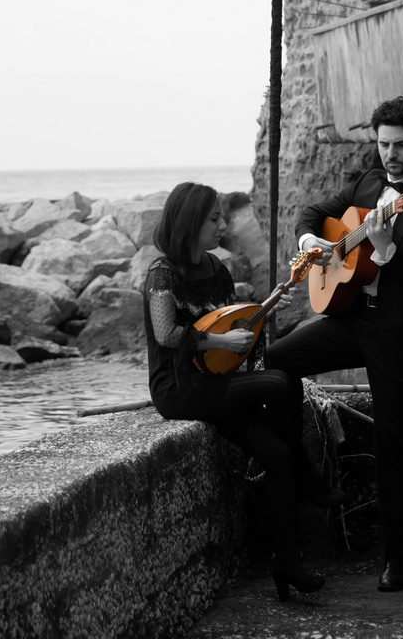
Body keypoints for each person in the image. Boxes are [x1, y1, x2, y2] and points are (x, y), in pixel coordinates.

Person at [266, 96, 403, 593]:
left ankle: (395, 560)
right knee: (278, 359)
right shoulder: (369, 182)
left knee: (393, 448)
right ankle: (303, 468)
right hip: (354, 319)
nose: (389, 154)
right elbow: (315, 212)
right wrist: (313, 242)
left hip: (401, 336)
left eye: (399, 145)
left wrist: (384, 248)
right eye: (382, 144)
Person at [143, 181, 346, 602]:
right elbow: (166, 334)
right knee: (279, 378)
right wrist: (221, 344)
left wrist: (265, 315)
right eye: (213, 218)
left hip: (217, 382)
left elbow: (234, 330)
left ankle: (287, 563)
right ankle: (310, 477)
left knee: (275, 452)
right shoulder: (163, 273)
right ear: (190, 223)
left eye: (221, 217)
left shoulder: (217, 270)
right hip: (179, 389)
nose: (222, 225)